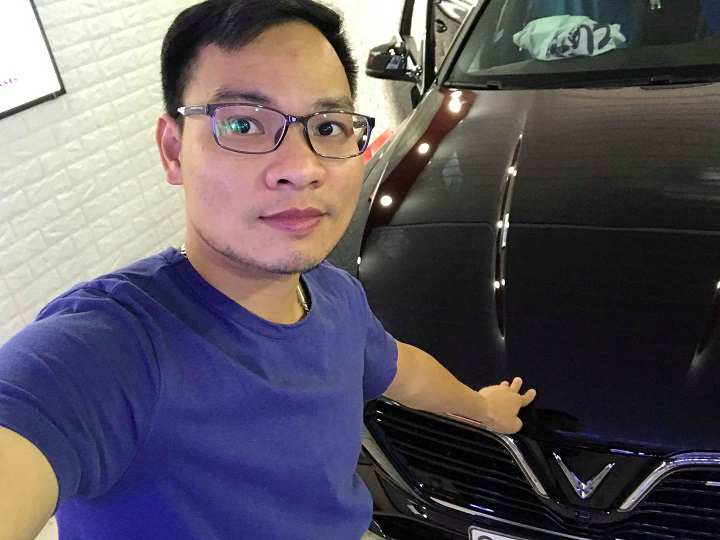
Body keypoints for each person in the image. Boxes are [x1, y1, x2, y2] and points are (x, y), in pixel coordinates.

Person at [0, 1, 536, 539]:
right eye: (242, 124)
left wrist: (481, 407)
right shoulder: (112, 348)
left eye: (328, 126)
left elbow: (401, 369)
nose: (301, 168)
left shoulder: (334, 296)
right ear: (173, 151)